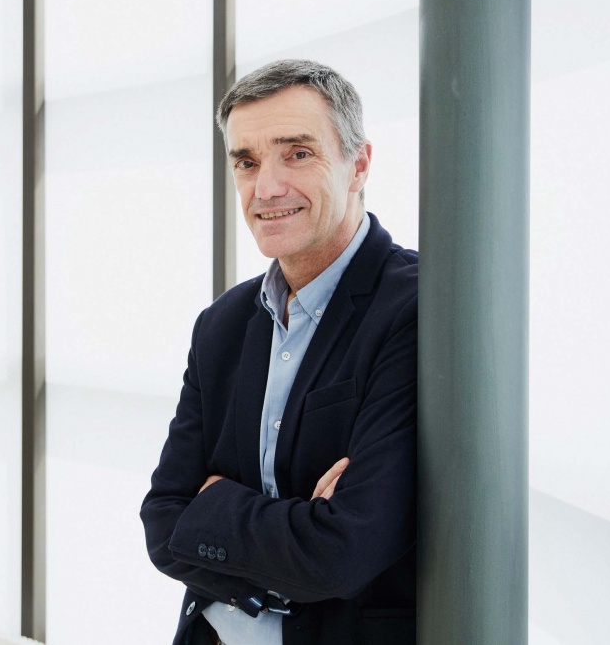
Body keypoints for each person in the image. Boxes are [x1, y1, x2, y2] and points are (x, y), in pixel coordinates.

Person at [140, 59, 417, 645]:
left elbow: (342, 552)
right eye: (247, 162)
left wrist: (213, 506)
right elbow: (163, 520)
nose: (266, 188)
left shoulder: (417, 310)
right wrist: (294, 532)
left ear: (358, 164)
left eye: (297, 153)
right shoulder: (222, 324)